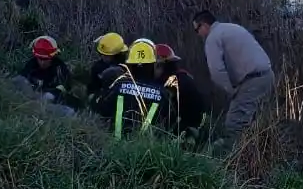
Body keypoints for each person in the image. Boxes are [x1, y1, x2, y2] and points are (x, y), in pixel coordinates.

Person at [192, 10, 274, 149]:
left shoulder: (212, 38)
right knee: (256, 124)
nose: (197, 34)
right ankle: (256, 161)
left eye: (197, 29)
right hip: (267, 76)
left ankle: (231, 165)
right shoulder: (233, 28)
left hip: (251, 81)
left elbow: (217, 71)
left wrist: (231, 90)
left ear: (204, 25)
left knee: (234, 124)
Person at [92, 38, 172, 139]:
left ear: (129, 65)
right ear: (153, 65)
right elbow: (168, 127)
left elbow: (100, 113)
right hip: (146, 151)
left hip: (113, 148)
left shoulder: (117, 86)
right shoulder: (163, 95)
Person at [155, 43, 209, 147]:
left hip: (179, 138)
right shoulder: (185, 77)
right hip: (195, 132)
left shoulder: (167, 85)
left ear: (159, 65)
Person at [18, 35, 80, 111]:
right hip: (31, 98)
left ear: (53, 56)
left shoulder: (59, 68)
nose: (42, 62)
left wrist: (48, 96)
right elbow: (21, 79)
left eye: (45, 59)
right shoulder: (32, 64)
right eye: (40, 58)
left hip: (52, 103)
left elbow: (63, 89)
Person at [87, 32, 129, 105]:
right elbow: (93, 88)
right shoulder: (97, 67)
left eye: (106, 55)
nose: (103, 57)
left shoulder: (127, 67)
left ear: (117, 54)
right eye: (102, 54)